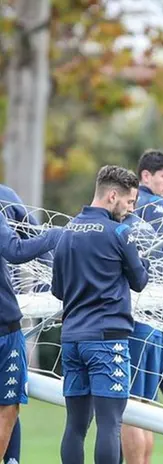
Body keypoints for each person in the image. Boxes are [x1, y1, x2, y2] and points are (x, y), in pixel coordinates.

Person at [52, 165, 149, 464]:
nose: (131, 209)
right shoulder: (120, 232)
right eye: (130, 202)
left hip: (72, 340)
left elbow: (58, 290)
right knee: (110, 425)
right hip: (108, 341)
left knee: (76, 426)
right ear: (112, 196)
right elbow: (140, 281)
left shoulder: (67, 231)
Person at [121, 150, 163, 464]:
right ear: (144, 177)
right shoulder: (149, 206)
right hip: (144, 317)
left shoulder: (151, 207)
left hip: (150, 318)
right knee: (139, 406)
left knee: (135, 406)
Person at [0, 183, 53, 464]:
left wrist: (56, 285)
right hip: (5, 324)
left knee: (9, 405)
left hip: (7, 321)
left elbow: (33, 236)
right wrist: (55, 236)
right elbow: (14, 249)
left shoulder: (7, 197)